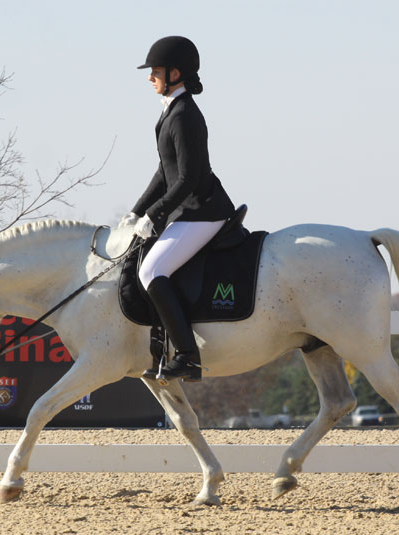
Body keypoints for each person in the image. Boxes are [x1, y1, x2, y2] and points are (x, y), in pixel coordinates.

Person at [120, 36, 236, 382]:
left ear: (175, 73)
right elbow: (163, 171)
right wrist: (137, 210)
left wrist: (155, 214)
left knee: (151, 272)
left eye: (155, 71)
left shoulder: (184, 115)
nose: (149, 77)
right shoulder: (171, 111)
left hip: (204, 210)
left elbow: (187, 179)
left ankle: (188, 355)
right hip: (186, 209)